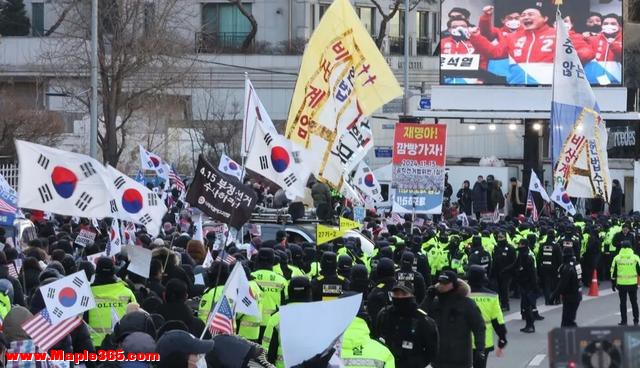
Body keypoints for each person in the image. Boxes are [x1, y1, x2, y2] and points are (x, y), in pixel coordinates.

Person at [469, 4, 595, 85]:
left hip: (551, 89)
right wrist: (476, 37)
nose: (525, 17)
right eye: (523, 15)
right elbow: (494, 53)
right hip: (517, 87)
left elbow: (587, 52)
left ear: (544, 18)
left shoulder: (560, 34)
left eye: (530, 14)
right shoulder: (513, 37)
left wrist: (570, 56)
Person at [421, 271, 485, 368]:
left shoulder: (467, 304)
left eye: (445, 283)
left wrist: (480, 350)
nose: (442, 286)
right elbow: (419, 319)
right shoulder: (434, 303)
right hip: (438, 360)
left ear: (453, 284)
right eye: (440, 282)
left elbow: (479, 327)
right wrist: (428, 298)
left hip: (460, 360)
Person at [374, 283, 439, 368]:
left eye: (404, 294)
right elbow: (376, 337)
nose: (399, 297)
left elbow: (432, 350)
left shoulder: (422, 320)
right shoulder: (384, 315)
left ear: (412, 295)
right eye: (396, 294)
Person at [262, 277, 312, 368]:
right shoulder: (319, 316)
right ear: (309, 292)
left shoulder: (276, 318)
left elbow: (267, 353)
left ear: (289, 292)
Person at [87, 257, 137, 347]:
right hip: (120, 346)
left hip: (94, 347)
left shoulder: (86, 295)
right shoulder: (127, 293)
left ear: (96, 272)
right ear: (113, 273)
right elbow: (136, 320)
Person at [468, 266, 507, 368]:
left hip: (462, 340)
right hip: (484, 341)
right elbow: (498, 321)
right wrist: (502, 340)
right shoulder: (492, 296)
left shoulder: (461, 295)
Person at [252, 248, 287, 339]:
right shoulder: (281, 280)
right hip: (273, 325)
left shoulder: (250, 277)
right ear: (273, 261)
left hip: (251, 326)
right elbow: (285, 304)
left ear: (257, 260)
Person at [550, 247, 582, 327]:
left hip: (570, 296)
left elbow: (562, 283)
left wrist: (554, 295)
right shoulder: (577, 264)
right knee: (569, 319)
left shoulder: (567, 267)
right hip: (577, 294)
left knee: (567, 320)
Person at [512, 239, 538, 333]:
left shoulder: (528, 257)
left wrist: (535, 287)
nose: (518, 245)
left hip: (529, 285)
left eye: (520, 244)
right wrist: (505, 271)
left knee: (527, 307)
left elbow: (533, 273)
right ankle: (528, 325)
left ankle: (531, 326)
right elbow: (514, 265)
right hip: (523, 284)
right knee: (526, 306)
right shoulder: (521, 256)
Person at [611, 240, 640, 326]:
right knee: (634, 302)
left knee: (623, 303)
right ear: (631, 247)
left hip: (621, 284)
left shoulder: (617, 258)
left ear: (621, 247)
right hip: (632, 284)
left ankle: (624, 321)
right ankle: (636, 321)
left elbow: (613, 271)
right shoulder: (635, 258)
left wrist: (613, 282)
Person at [492, 231, 516, 311]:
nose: (499, 239)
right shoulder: (496, 247)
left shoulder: (510, 248)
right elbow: (494, 260)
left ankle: (505, 305)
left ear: (505, 237)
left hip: (507, 273)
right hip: (497, 272)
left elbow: (514, 262)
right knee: (498, 289)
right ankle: (501, 304)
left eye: (501, 237)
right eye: (498, 237)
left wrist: (507, 270)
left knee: (504, 289)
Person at [537, 231, 562, 305]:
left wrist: (539, 268)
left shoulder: (542, 245)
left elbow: (539, 258)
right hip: (554, 268)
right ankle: (557, 300)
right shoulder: (556, 246)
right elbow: (560, 259)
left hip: (544, 267)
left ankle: (547, 300)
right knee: (556, 284)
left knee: (546, 285)